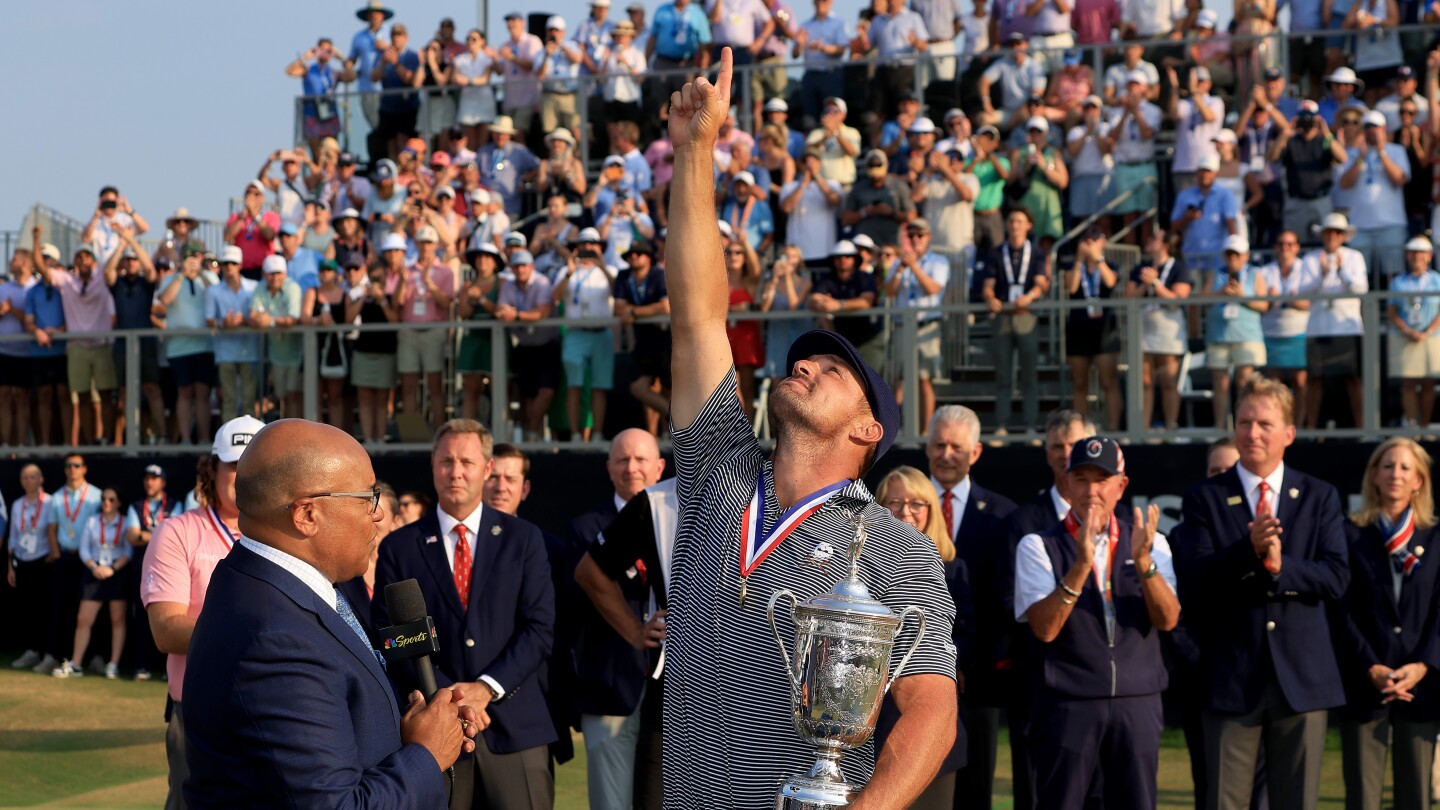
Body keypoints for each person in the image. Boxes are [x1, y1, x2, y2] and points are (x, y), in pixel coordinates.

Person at [662, 49, 957, 808]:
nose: (806, 368)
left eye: (833, 372)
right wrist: (696, 154)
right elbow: (698, 316)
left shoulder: (896, 546)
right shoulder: (717, 469)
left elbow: (932, 707)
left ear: (867, 430)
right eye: (803, 362)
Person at [182, 419, 478, 808]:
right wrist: (426, 753)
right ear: (307, 515)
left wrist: (404, 733)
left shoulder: (271, 585)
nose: (378, 516)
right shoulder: (275, 636)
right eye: (367, 498)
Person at [1176, 377, 1349, 810]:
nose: (1252, 433)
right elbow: (1196, 578)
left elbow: (1336, 577)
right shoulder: (1204, 498)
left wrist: (1280, 568)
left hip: (1303, 680)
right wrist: (1247, 552)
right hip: (1231, 678)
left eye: (1264, 424)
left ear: (1288, 434)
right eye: (1245, 422)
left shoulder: (1319, 496)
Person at [374, 419, 558, 809]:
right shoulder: (398, 547)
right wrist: (453, 698)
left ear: (487, 468)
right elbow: (392, 639)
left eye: (466, 462)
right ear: (432, 465)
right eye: (446, 461)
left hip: (515, 728)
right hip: (434, 734)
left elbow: (539, 629)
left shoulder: (523, 539)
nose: (455, 472)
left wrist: (486, 688)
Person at [1016, 437, 1178, 809]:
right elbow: (1044, 628)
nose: (1092, 490)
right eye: (1082, 478)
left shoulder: (1151, 543)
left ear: (1121, 485)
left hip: (1138, 701)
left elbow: (1168, 619)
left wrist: (1144, 563)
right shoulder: (1037, 544)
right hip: (1068, 703)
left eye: (1102, 479)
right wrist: (1080, 565)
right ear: (1067, 483)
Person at [142, 415, 264, 810]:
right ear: (212, 468)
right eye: (233, 465)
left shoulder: (289, 534)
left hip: (275, 707)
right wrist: (259, 637)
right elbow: (166, 629)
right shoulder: (177, 531)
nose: (243, 475)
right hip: (199, 712)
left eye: (253, 465)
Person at [997, 408, 1095, 810]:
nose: (1065, 453)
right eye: (1057, 445)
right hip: (1042, 688)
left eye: (1073, 444)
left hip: (1104, 690)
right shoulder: (1023, 522)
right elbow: (1007, 602)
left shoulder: (1122, 522)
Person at [1335, 438, 1440, 810]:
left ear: (1419, 481)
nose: (1396, 474)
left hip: (1421, 687)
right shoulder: (1349, 535)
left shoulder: (1436, 537)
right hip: (1367, 683)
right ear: (1374, 476)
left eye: (1406, 468)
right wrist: (1370, 665)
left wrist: (1424, 665)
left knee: (1417, 798)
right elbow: (1340, 609)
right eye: (1388, 466)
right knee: (1361, 798)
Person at [568, 429, 668, 809]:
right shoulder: (583, 530)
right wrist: (633, 630)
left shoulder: (682, 519)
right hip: (610, 687)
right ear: (608, 468)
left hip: (671, 692)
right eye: (623, 460)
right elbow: (583, 594)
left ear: (659, 467)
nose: (632, 468)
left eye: (641, 459)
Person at [924, 405, 1017, 810]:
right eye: (938, 444)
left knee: (975, 793)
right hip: (906, 683)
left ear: (975, 452)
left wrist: (968, 665)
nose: (947, 454)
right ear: (926, 448)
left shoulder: (1003, 515)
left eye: (956, 447)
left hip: (977, 685)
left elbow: (1003, 604)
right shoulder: (894, 507)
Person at [872, 465, 971, 810]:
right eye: (894, 502)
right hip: (871, 723)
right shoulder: (864, 568)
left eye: (917, 503)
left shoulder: (956, 569)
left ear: (932, 509)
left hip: (931, 718)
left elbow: (969, 634)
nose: (905, 511)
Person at [37, 243, 118, 446]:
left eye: (87, 257)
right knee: (81, 397)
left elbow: (110, 270)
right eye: (79, 258)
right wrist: (36, 239)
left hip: (101, 345)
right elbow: (41, 267)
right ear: (74, 262)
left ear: (94, 261)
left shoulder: (102, 279)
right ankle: (90, 442)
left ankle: (106, 439)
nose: (83, 261)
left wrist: (124, 241)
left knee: (105, 395)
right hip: (77, 347)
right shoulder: (66, 280)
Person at [980, 207, 1050, 436]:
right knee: (1003, 375)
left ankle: (1031, 425)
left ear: (1028, 225)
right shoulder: (997, 252)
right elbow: (988, 285)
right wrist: (990, 298)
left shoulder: (1037, 253)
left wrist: (1029, 297)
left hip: (1025, 315)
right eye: (1011, 220)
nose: (1015, 225)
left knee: (1029, 374)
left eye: (1019, 221)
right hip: (1003, 318)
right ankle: (1002, 425)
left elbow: (1042, 283)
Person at [1300, 212, 1369, 430]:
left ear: (1343, 236)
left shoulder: (1355, 257)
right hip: (1318, 328)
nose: (1332, 236)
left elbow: (1362, 289)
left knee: (1353, 379)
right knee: (1314, 380)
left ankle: (1362, 428)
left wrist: (1341, 272)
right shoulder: (1311, 259)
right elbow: (1301, 292)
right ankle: (1311, 429)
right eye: (1328, 232)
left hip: (1348, 327)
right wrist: (1321, 275)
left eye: (1337, 232)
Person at [54, 488, 131, 680]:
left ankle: (113, 664)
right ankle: (76, 663)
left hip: (116, 573)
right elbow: (84, 549)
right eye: (104, 499)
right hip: (94, 572)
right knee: (83, 619)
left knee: (118, 620)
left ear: (119, 503)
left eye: (111, 499)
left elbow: (128, 551)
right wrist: (94, 567)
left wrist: (112, 569)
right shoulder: (92, 521)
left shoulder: (126, 522)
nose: (107, 502)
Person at [885, 218, 950, 431]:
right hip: (904, 326)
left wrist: (914, 266)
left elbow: (933, 288)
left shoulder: (939, 261)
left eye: (919, 235)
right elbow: (889, 292)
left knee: (924, 380)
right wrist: (901, 269)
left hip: (927, 326)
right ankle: (897, 430)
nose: (914, 239)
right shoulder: (898, 263)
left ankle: (925, 431)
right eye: (910, 235)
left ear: (928, 238)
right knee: (901, 379)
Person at [1204, 236, 1271, 431]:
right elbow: (1203, 298)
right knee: (1220, 382)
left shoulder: (1256, 274)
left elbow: (1263, 305)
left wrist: (1242, 296)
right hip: (1219, 335)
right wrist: (1221, 293)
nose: (1233, 258)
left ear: (1246, 256)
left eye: (1237, 254)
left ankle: (1243, 425)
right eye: (1229, 253)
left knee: (1244, 382)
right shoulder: (1215, 273)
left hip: (1246, 335)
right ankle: (1220, 428)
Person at [555, 239, 618, 442]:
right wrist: (569, 271)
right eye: (583, 246)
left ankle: (597, 434)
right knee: (574, 385)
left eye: (593, 246)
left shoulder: (609, 270)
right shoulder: (568, 271)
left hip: (602, 333)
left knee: (600, 387)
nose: (588, 250)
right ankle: (574, 435)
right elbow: (555, 297)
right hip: (575, 333)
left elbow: (618, 289)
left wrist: (602, 265)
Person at [157, 244, 218, 444]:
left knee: (202, 392)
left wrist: (200, 273)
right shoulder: (170, 279)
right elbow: (165, 299)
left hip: (204, 345)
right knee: (184, 392)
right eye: (188, 257)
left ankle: (203, 438)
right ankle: (184, 438)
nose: (191, 260)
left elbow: (217, 294)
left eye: (195, 256)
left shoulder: (209, 279)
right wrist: (181, 275)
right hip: (179, 347)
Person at [497, 250, 561, 442]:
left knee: (546, 391)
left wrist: (516, 316)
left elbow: (542, 312)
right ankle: (534, 436)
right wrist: (519, 315)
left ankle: (532, 430)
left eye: (524, 265)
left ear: (532, 267)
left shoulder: (541, 282)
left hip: (547, 344)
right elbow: (501, 311)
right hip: (525, 346)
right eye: (517, 266)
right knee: (527, 395)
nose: (521, 269)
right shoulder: (508, 285)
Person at [123, 464, 179, 681]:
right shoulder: (136, 505)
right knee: (141, 618)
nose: (150, 482)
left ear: (163, 482)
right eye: (147, 478)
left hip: (169, 568)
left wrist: (145, 535)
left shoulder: (175, 504)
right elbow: (131, 536)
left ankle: (169, 670)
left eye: (154, 478)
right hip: (141, 568)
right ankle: (140, 667)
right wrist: (160, 533)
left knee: (171, 616)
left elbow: (174, 535)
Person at [1340, 109, 1412, 279]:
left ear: (1384, 130)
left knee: (1392, 275)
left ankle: (1391, 306)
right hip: (1360, 227)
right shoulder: (1353, 153)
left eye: (1375, 128)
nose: (1371, 132)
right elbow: (1344, 183)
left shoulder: (1396, 151)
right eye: (1367, 128)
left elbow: (1400, 179)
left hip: (1391, 225)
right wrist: (1360, 157)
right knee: (1359, 276)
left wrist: (1381, 152)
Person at [397, 226, 455, 430]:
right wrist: (402, 283)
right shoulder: (408, 270)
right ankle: (412, 437)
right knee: (409, 387)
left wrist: (429, 284)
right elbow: (398, 302)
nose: (425, 246)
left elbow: (447, 302)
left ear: (436, 245)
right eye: (422, 242)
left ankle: (439, 434)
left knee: (435, 387)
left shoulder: (445, 272)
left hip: (433, 331)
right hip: (409, 331)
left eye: (429, 242)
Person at [1065, 228, 1122, 431]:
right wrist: (1079, 261)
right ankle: (1079, 431)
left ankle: (1113, 428)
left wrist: (1098, 260)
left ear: (1102, 243)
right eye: (1085, 240)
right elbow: (1070, 287)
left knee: (1109, 382)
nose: (1089, 244)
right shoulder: (1073, 265)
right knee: (1080, 384)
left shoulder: (1110, 265)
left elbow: (1110, 281)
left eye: (1094, 240)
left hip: (1104, 331)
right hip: (1079, 329)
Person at [613, 240, 672, 432]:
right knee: (638, 387)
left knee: (668, 389)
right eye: (631, 254)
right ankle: (674, 419)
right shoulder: (623, 276)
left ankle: (673, 433)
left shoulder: (658, 274)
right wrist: (650, 311)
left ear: (648, 258)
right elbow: (618, 309)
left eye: (639, 253)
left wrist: (635, 313)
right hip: (644, 341)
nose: (634, 257)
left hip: (666, 339)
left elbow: (665, 307)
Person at [346, 260, 400, 445]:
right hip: (363, 352)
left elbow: (395, 321)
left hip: (385, 352)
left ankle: (380, 440)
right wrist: (363, 297)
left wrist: (383, 300)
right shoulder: (360, 296)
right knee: (365, 398)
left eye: (380, 278)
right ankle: (369, 440)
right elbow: (349, 318)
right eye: (373, 278)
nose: (377, 282)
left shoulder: (392, 295)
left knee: (382, 399)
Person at [205, 248, 260, 421]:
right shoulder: (213, 290)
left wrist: (245, 321)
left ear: (240, 265)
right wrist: (224, 323)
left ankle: (251, 442)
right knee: (228, 400)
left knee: (249, 400)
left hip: (249, 350)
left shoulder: (254, 287)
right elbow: (209, 319)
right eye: (226, 263)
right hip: (225, 352)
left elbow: (258, 315)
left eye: (233, 263)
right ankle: (228, 440)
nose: (229, 267)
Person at [1390, 239, 1440, 429]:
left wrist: (1427, 331)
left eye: (1421, 252)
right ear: (1407, 255)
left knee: (1428, 382)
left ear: (1429, 256)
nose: (1417, 256)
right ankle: (1412, 427)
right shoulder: (1398, 281)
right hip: (1406, 337)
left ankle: (1425, 426)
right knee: (1408, 383)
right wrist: (1409, 331)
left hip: (1432, 336)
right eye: (1413, 252)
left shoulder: (1437, 279)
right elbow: (1392, 312)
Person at [8, 465, 52, 673]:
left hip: (43, 561)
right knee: (27, 609)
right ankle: (31, 650)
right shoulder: (17, 505)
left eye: (32, 477)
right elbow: (13, 537)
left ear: (41, 479)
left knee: (44, 608)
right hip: (22, 561)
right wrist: (11, 566)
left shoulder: (51, 502)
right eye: (24, 477)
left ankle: (47, 652)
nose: (28, 481)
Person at [249, 255, 304, 419]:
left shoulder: (293, 287)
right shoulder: (260, 288)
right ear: (264, 275)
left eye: (279, 273)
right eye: (271, 273)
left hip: (297, 354)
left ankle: (297, 434)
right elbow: (252, 317)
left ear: (285, 273)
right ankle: (286, 436)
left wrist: (269, 320)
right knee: (282, 397)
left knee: (294, 396)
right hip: (276, 355)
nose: (275, 277)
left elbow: (292, 318)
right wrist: (266, 320)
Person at [1259, 232, 1311, 402]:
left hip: (1299, 332)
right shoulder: (1264, 271)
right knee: (1273, 384)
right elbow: (1261, 304)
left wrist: (1294, 302)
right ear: (1275, 247)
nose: (1284, 248)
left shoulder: (1307, 269)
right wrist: (1272, 301)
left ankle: (1301, 425)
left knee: (1300, 381)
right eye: (1281, 244)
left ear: (1297, 247)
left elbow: (1312, 302)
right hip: (1272, 332)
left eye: (1289, 244)